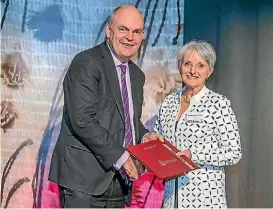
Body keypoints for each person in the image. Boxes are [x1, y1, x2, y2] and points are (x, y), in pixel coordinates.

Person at [48, 5, 162, 208]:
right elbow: (82, 120)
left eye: (136, 32)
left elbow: (128, 121)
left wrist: (145, 136)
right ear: (109, 31)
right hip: (82, 181)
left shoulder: (136, 75)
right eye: (123, 29)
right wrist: (123, 158)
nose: (129, 37)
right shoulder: (86, 62)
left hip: (117, 183)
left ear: (142, 36)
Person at [154, 40, 242, 208]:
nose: (193, 71)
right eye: (188, 64)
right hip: (171, 198)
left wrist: (193, 155)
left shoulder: (218, 104)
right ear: (180, 66)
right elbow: (159, 139)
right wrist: (150, 138)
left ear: (209, 71)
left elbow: (234, 153)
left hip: (205, 199)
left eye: (200, 65)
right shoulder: (168, 102)